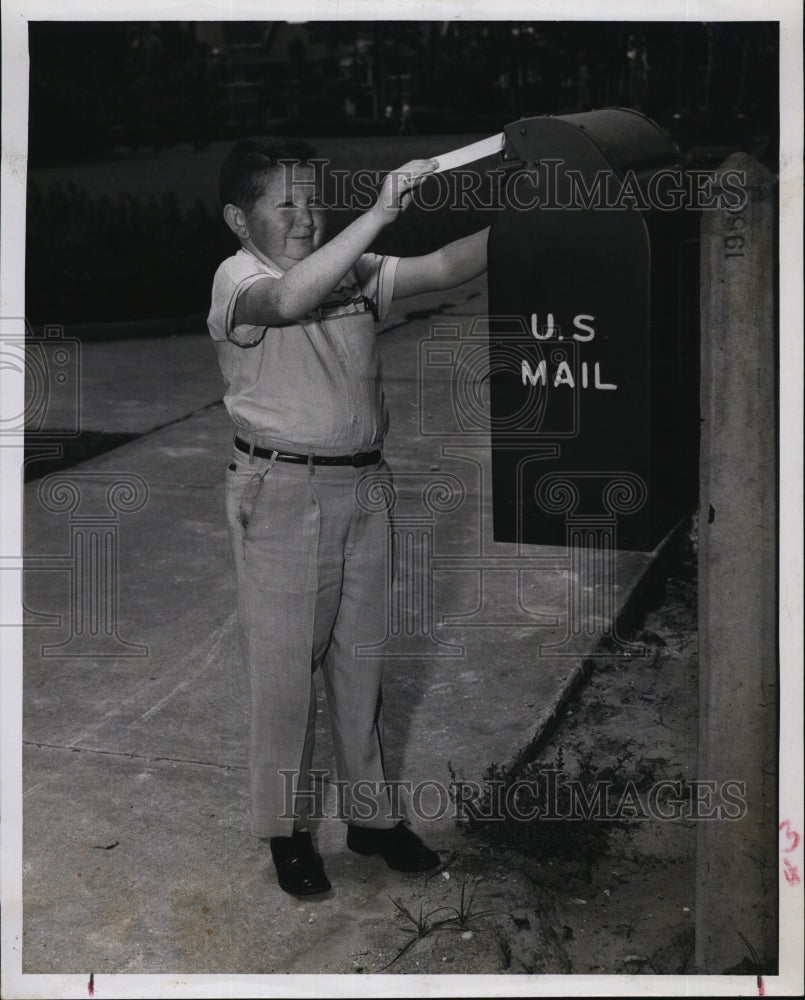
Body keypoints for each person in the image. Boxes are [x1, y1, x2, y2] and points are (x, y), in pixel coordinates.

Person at [207, 136, 488, 897]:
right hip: (282, 490)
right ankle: (287, 830)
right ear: (240, 219)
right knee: (284, 674)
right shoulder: (239, 280)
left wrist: (542, 211)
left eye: (311, 200)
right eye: (284, 203)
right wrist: (379, 211)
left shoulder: (353, 269)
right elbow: (293, 298)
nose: (304, 217)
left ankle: (370, 818)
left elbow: (447, 268)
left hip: (365, 487)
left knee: (360, 665)